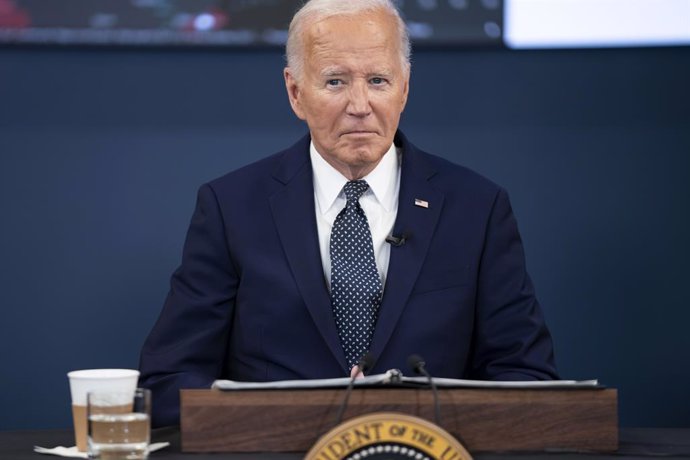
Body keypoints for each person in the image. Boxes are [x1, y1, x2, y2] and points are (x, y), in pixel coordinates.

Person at [139, 0, 558, 427]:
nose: (359, 105)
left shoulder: (476, 208)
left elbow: (526, 377)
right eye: (335, 82)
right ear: (295, 93)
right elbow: (170, 380)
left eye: (378, 81)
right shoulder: (232, 207)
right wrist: (293, 417)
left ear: (405, 88)